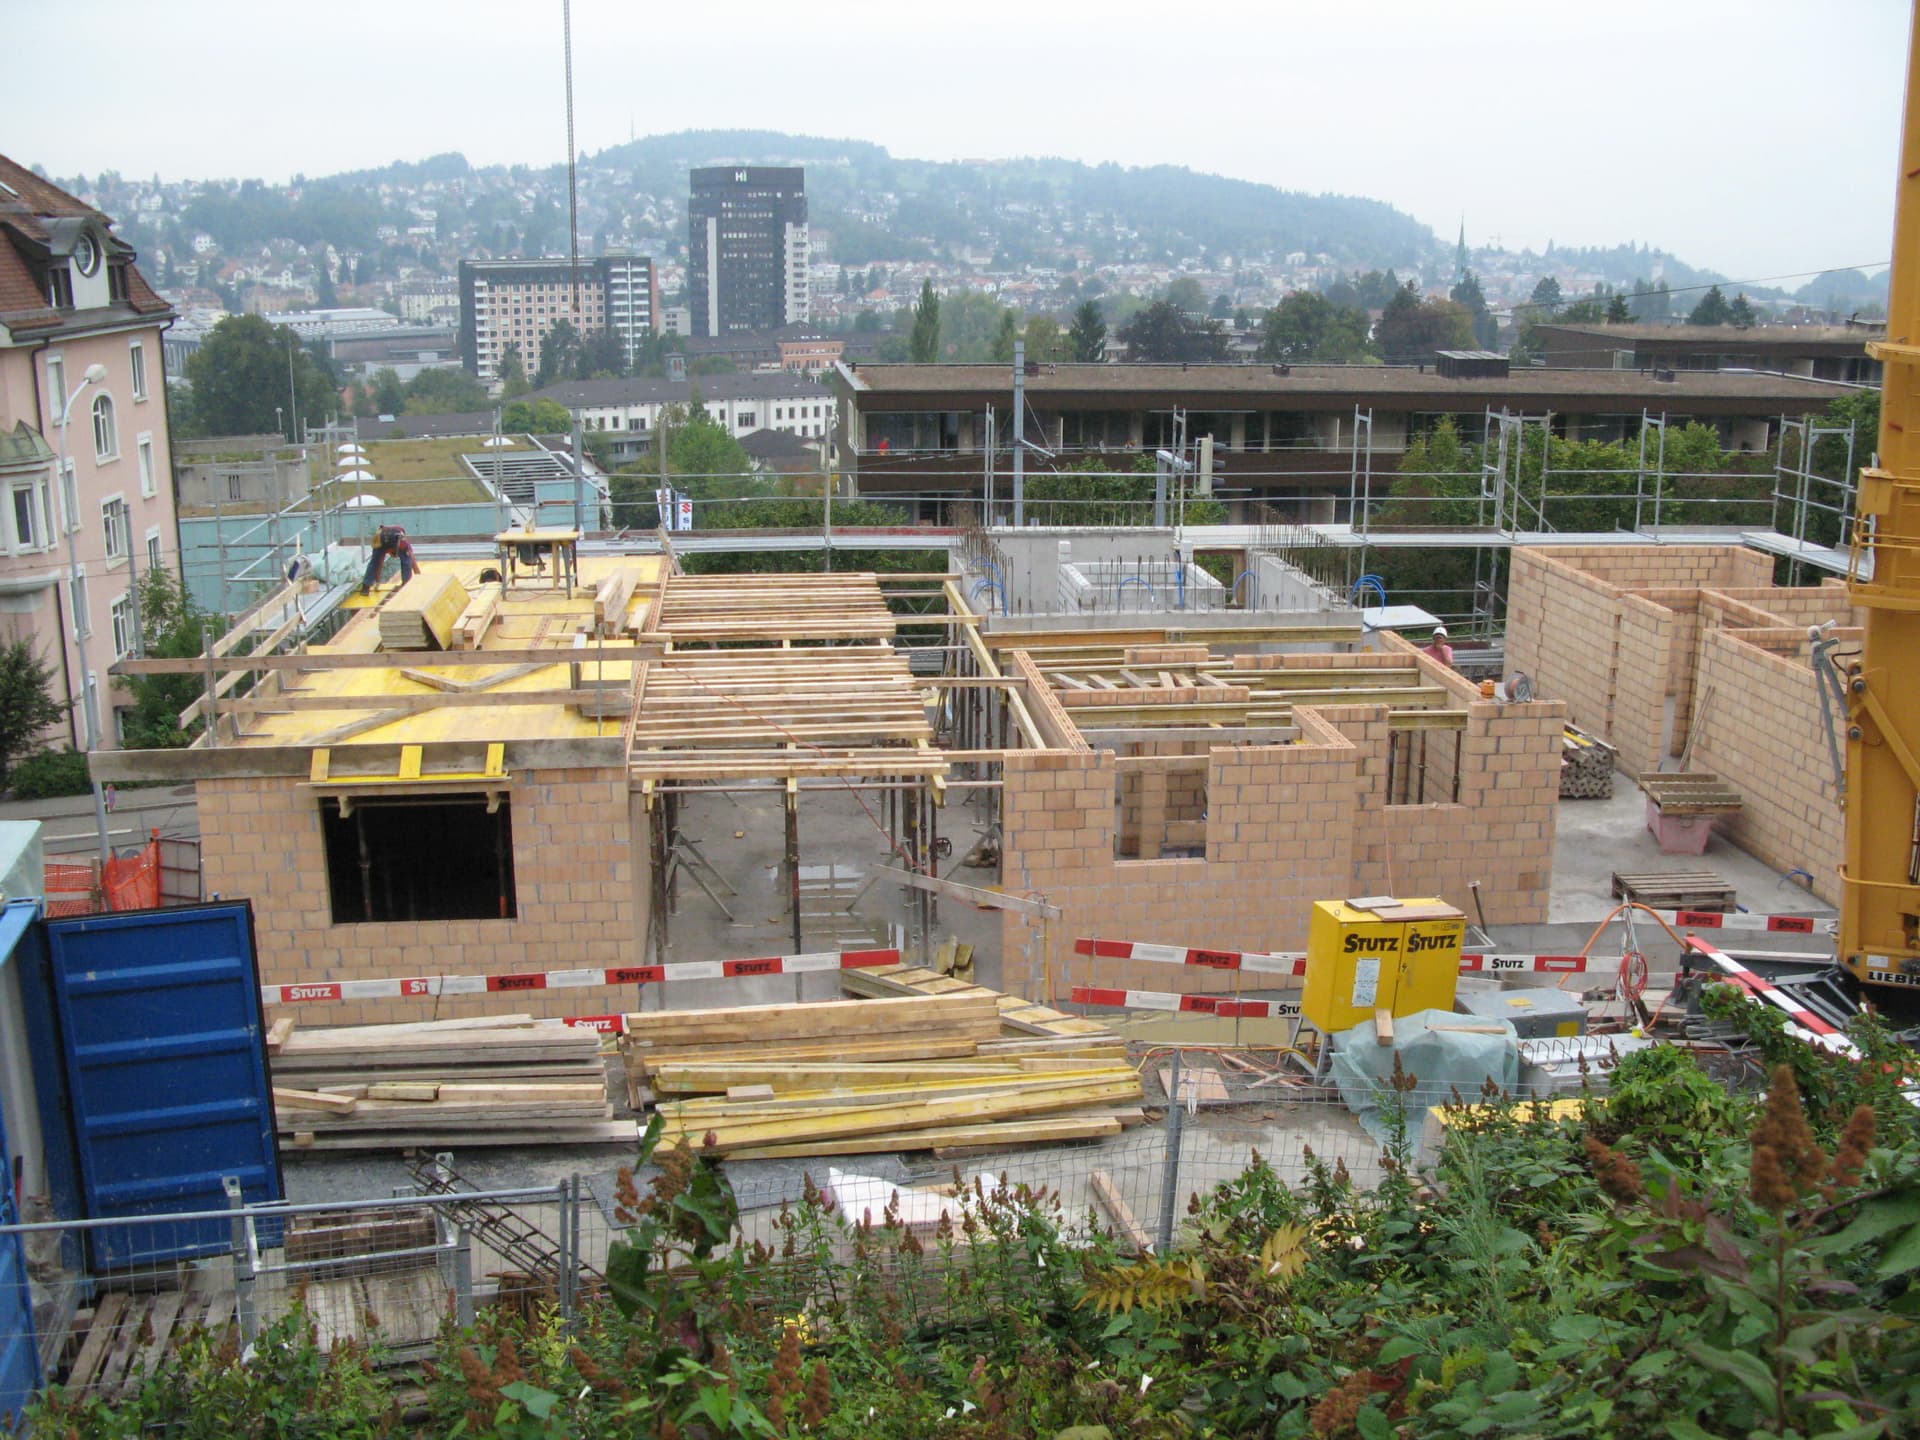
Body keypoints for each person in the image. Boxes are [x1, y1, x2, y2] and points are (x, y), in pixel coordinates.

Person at [359, 525, 418, 594]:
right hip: (388, 538)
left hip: (380, 537)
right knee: (406, 561)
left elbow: (378, 565)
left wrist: (378, 583)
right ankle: (406, 585)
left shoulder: (384, 544)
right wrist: (418, 577)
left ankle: (365, 587)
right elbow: (412, 561)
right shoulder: (404, 543)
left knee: (374, 563)